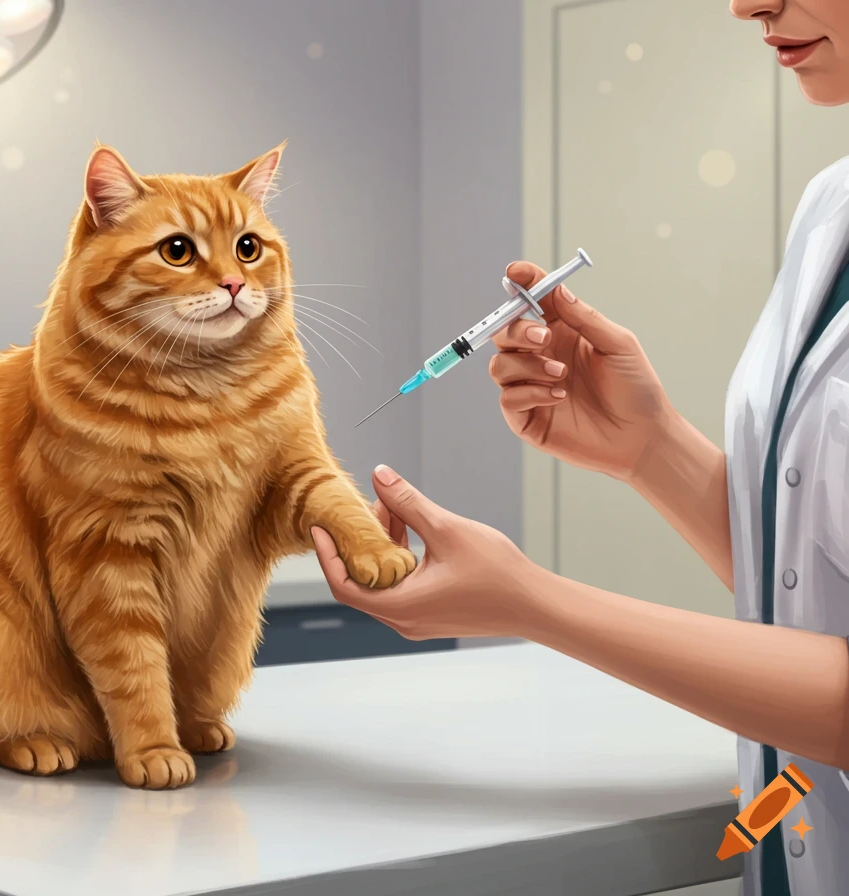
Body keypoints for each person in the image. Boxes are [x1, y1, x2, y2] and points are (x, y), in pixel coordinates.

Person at [313, 2, 849, 894]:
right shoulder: (830, 208)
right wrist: (649, 452)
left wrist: (532, 603)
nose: (749, 2)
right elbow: (813, 585)